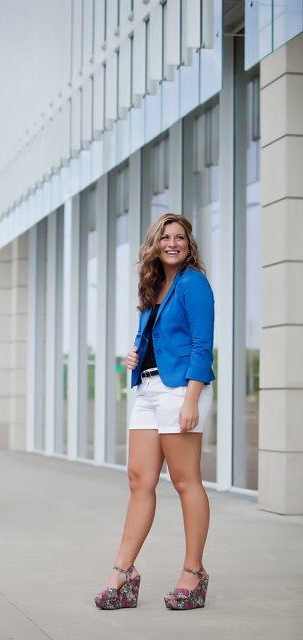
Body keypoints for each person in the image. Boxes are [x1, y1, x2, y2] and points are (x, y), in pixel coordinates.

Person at [94, 213, 215, 611]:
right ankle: (123, 573)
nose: (173, 243)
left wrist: (192, 400)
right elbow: (152, 338)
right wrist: (133, 353)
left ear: (188, 243)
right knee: (138, 480)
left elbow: (201, 344)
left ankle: (193, 574)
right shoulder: (155, 285)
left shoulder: (193, 282)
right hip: (146, 389)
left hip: (179, 390)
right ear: (155, 244)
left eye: (180, 237)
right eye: (165, 237)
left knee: (184, 481)